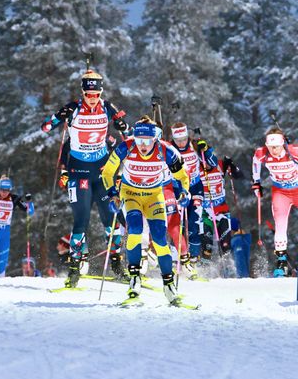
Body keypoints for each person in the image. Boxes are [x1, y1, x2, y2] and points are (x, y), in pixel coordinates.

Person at [41, 69, 130, 287]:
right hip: (79, 171)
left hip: (103, 172)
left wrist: (122, 126)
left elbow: (127, 131)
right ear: (83, 92)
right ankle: (74, 271)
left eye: (96, 94)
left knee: (111, 221)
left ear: (100, 93)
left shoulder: (108, 107)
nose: (92, 98)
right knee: (81, 221)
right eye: (88, 94)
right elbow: (45, 127)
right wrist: (55, 119)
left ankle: (117, 266)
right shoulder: (73, 108)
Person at [101, 116, 191, 305]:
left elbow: (182, 175)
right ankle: (135, 280)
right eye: (139, 140)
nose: (142, 145)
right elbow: (108, 172)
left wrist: (185, 192)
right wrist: (112, 194)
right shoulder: (127, 146)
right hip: (131, 193)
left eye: (147, 141)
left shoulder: (166, 150)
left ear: (155, 139)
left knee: (159, 237)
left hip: (153, 196)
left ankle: (168, 285)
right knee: (134, 229)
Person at [169, 122, 217, 276]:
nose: (181, 142)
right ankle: (176, 259)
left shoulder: (195, 145)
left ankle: (194, 259)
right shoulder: (169, 148)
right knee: (176, 224)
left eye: (183, 138)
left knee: (194, 223)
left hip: (195, 188)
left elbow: (213, 163)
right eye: (178, 140)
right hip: (177, 189)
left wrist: (207, 150)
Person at [252, 128, 298, 277]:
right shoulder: (262, 153)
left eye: (276, 147)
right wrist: (256, 183)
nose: (273, 150)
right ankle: (281, 263)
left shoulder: (293, 152)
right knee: (280, 225)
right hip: (280, 192)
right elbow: (255, 163)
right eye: (271, 147)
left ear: (282, 143)